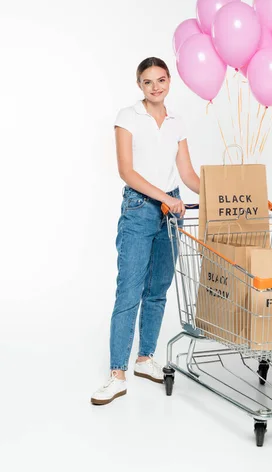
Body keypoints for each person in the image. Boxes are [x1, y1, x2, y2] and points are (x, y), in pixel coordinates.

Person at [91, 57, 200, 405]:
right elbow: (127, 171)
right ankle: (116, 374)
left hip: (173, 211)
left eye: (162, 79)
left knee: (158, 289)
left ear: (170, 82)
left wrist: (226, 194)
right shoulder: (127, 117)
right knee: (129, 291)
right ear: (139, 85)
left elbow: (187, 174)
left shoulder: (177, 122)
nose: (156, 86)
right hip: (140, 209)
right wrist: (164, 198)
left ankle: (145, 358)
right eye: (148, 81)